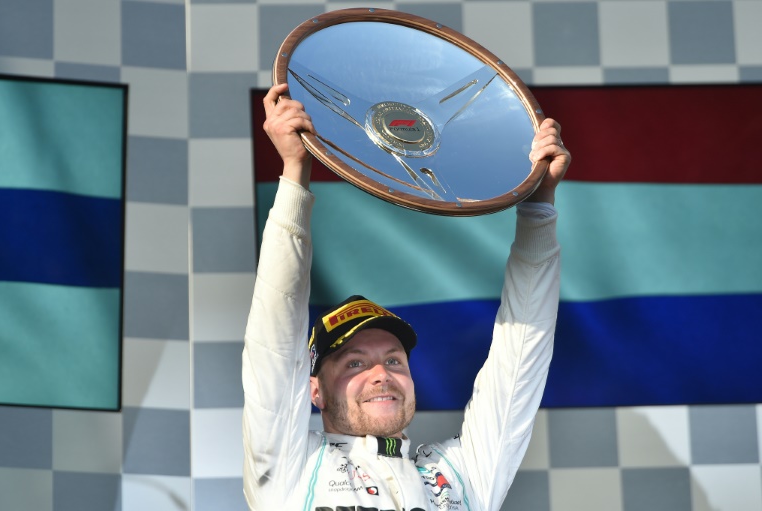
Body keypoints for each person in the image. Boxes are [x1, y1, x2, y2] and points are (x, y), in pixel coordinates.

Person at [243, 83, 571, 511]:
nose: (382, 374)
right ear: (314, 390)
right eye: (354, 363)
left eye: (394, 360)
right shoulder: (290, 467)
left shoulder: (461, 475)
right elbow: (276, 324)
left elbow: (521, 356)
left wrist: (539, 204)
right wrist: (294, 171)